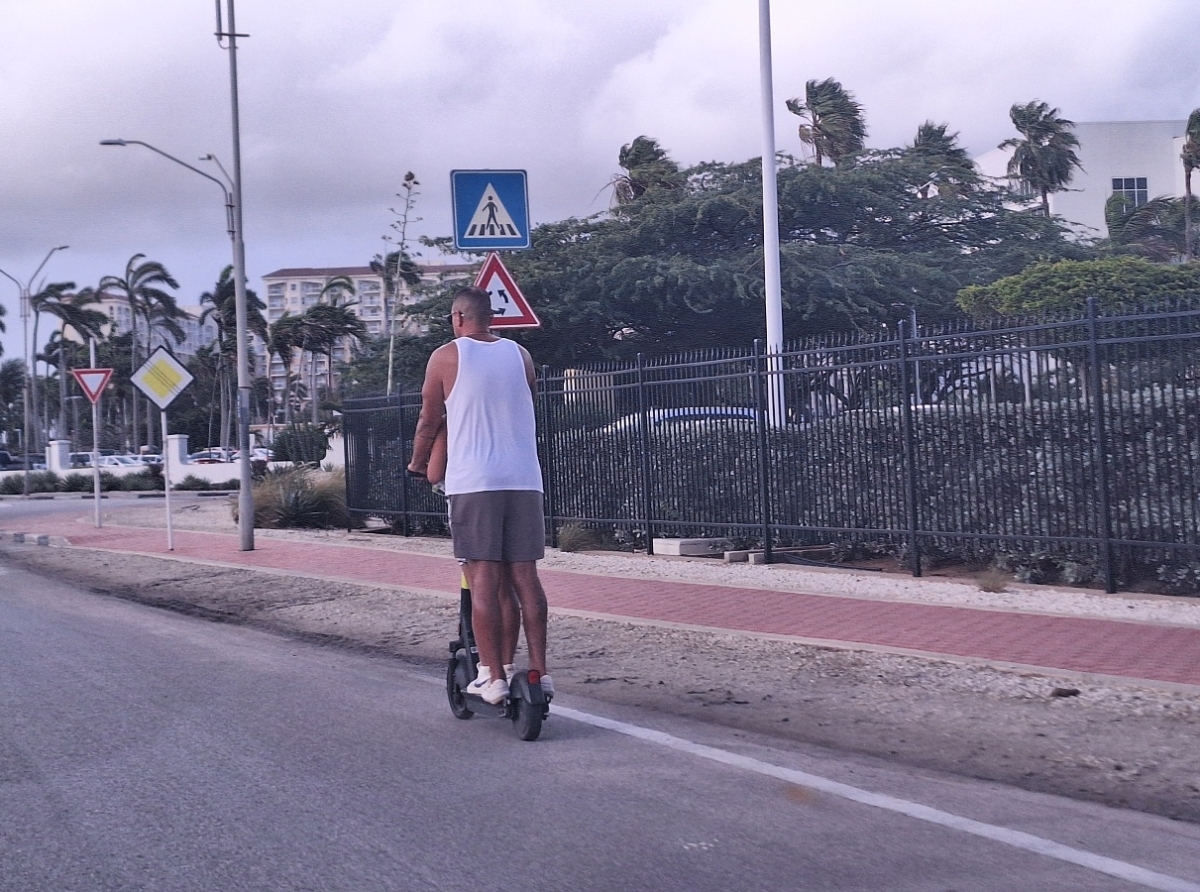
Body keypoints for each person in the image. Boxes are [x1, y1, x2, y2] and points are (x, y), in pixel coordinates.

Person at [407, 286, 551, 704]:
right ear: (493, 318)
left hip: (475, 483)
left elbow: (427, 420)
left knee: (484, 580)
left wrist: (418, 465)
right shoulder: (520, 355)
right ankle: (538, 672)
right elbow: (528, 401)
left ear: (457, 318)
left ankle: (491, 677)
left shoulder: (446, 356)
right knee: (524, 578)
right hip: (524, 478)